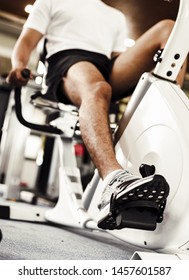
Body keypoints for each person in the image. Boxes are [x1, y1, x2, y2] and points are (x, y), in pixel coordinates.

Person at [6, 0, 185, 229]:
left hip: (105, 67)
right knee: (98, 89)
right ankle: (114, 181)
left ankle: (169, 109)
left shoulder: (115, 16)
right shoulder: (51, 1)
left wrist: (145, 72)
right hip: (66, 61)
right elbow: (27, 40)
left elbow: (118, 56)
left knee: (169, 29)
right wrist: (18, 65)